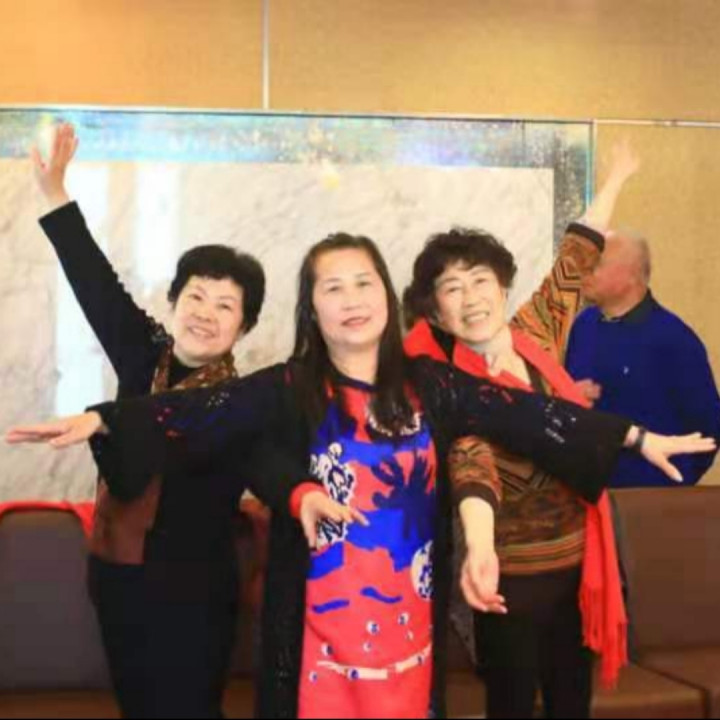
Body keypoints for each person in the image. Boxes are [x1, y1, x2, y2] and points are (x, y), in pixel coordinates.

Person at [8, 232, 714, 720]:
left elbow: (524, 412)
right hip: (316, 634)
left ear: (385, 297)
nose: (350, 297)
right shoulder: (288, 387)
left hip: (410, 634)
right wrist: (104, 419)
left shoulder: (434, 385)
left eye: (363, 281)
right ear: (312, 308)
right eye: (331, 286)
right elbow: (206, 411)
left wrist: (634, 434)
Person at [29, 123, 348, 719]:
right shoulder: (142, 353)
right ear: (174, 302)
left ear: (243, 327)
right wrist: (55, 194)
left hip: (196, 596)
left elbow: (268, 465)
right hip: (119, 579)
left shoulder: (243, 400)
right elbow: (94, 282)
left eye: (226, 306)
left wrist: (301, 493)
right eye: (196, 297)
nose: (206, 313)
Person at [402, 141, 643, 719]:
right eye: (452, 289)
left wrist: (617, 176)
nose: (471, 298)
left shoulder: (536, 331)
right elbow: (472, 467)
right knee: (509, 705)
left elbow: (575, 257)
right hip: (506, 579)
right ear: (436, 313)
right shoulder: (447, 385)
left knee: (571, 703)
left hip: (578, 567)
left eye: (480, 280)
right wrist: (482, 548)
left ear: (503, 286)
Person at [567, 224, 720, 488]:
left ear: (631, 274)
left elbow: (708, 433)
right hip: (582, 493)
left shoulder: (674, 339)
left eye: (596, 264)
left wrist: (667, 485)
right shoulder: (583, 326)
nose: (584, 271)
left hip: (646, 499)